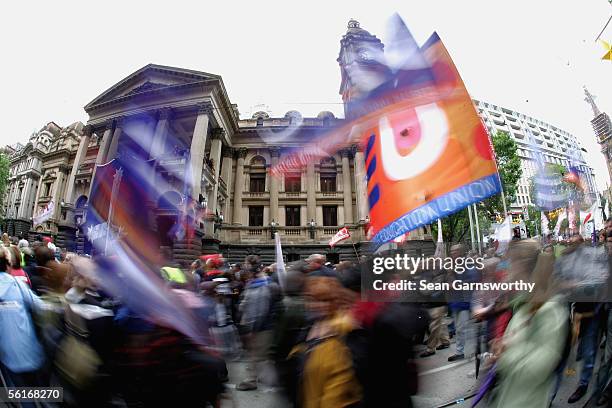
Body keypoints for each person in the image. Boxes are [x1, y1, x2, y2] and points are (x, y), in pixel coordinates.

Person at [490, 251, 568, 408]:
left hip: (527, 401)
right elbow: (515, 340)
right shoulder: (524, 307)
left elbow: (538, 366)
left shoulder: (550, 310)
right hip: (511, 396)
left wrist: (503, 357)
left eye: (514, 267)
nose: (509, 274)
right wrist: (502, 345)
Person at [290, 277, 361, 408]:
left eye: (325, 300)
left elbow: (338, 391)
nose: (317, 305)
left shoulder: (344, 332)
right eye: (313, 300)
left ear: (335, 301)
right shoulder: (310, 324)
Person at [0, 247, 46, 401]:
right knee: (37, 392)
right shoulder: (17, 284)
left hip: (8, 356)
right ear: (8, 266)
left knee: (20, 394)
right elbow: (41, 306)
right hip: (30, 350)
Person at [236, 257, 281, 391]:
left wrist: (252, 329)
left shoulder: (262, 284)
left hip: (261, 326)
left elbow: (259, 311)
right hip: (263, 325)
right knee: (262, 354)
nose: (245, 270)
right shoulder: (257, 282)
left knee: (256, 354)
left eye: (247, 267)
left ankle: (251, 380)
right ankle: (269, 377)